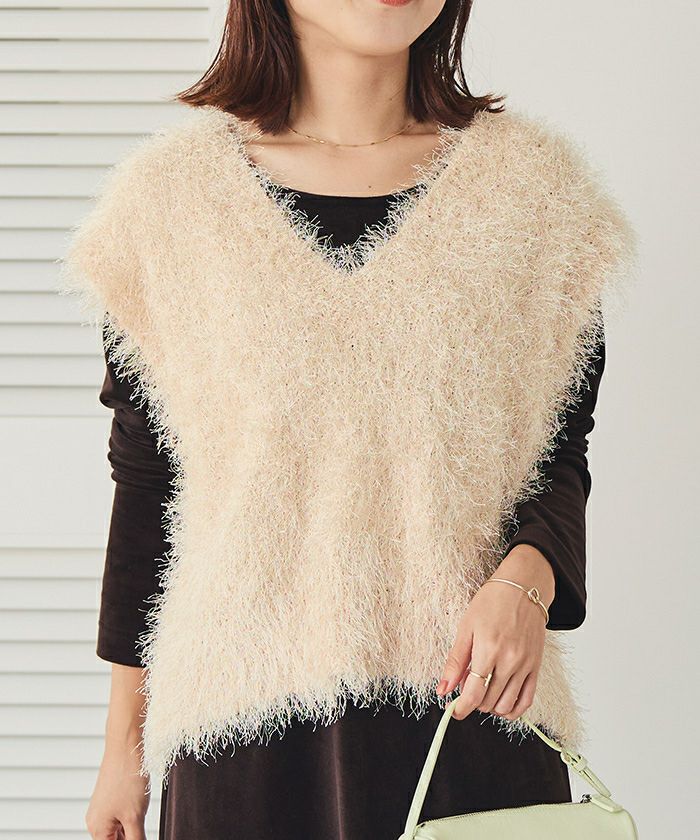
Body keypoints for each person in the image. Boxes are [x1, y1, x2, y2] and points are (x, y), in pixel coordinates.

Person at [58, 2, 635, 838]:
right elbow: (149, 487)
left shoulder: (538, 198)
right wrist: (122, 753)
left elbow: (559, 454)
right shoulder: (166, 207)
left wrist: (527, 584)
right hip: (237, 741)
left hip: (467, 719)